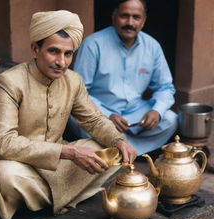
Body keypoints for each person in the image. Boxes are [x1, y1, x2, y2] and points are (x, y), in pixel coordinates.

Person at [0, 10, 137, 219]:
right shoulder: (10, 83)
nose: (61, 62)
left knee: (107, 151)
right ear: (35, 49)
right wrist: (69, 153)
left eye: (68, 54)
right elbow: (4, 143)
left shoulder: (73, 81)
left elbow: (94, 120)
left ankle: (43, 200)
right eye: (54, 51)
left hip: (55, 165)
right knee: (5, 175)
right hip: (16, 163)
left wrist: (119, 141)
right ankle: (66, 196)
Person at [70, 0, 178, 155]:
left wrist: (156, 111)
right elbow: (79, 91)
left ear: (143, 21)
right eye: (124, 16)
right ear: (114, 16)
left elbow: (165, 87)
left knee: (170, 119)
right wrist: (106, 115)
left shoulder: (152, 46)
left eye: (136, 17)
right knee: (80, 121)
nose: (130, 23)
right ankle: (126, 150)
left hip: (136, 113)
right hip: (100, 113)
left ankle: (121, 152)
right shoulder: (93, 44)